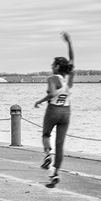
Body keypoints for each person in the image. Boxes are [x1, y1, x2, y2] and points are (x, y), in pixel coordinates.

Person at [33, 32, 74, 188]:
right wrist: (69, 42)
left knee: (45, 134)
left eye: (53, 64)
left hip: (53, 110)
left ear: (57, 66)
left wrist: (40, 101)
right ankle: (55, 174)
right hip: (66, 112)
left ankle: (47, 156)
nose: (51, 66)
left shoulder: (52, 78)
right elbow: (72, 61)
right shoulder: (69, 77)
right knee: (60, 144)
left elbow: (51, 94)